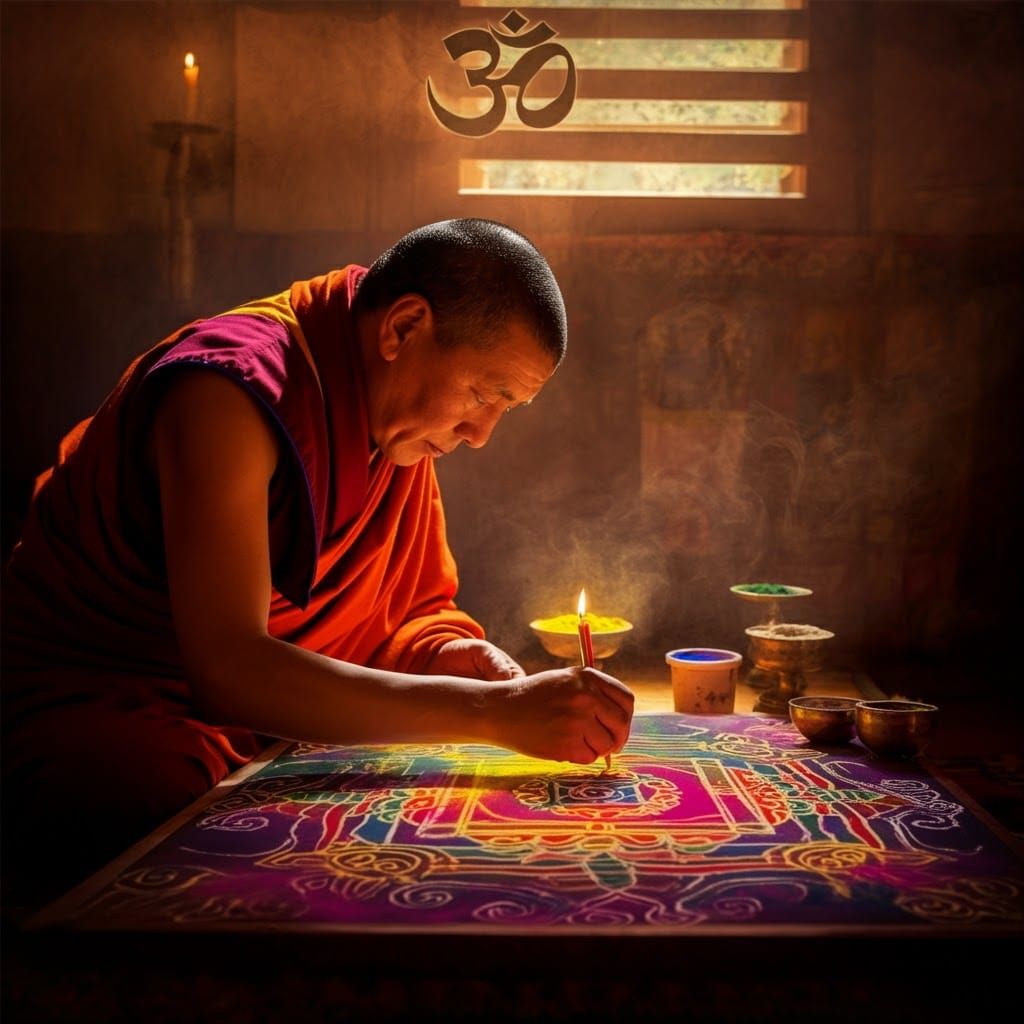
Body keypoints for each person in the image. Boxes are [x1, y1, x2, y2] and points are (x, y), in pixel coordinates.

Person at [1, 218, 634, 904]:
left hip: (260, 720)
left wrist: (448, 654)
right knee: (141, 802)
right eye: (484, 395)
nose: (481, 434)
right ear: (402, 329)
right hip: (106, 698)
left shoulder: (389, 420)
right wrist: (490, 714)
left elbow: (405, 614)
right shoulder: (226, 394)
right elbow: (230, 672)